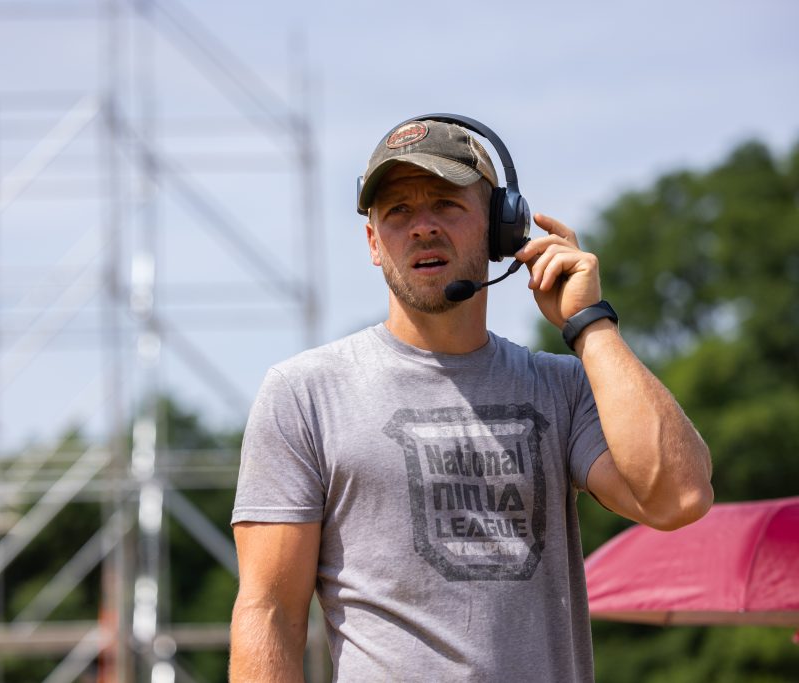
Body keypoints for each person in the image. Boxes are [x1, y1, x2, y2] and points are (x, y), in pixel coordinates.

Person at [228, 116, 713, 682]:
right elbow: (269, 613)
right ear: (373, 242)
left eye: (445, 203)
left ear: (503, 228)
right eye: (398, 211)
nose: (421, 227)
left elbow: (678, 497)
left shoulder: (562, 387)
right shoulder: (304, 394)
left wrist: (591, 326)